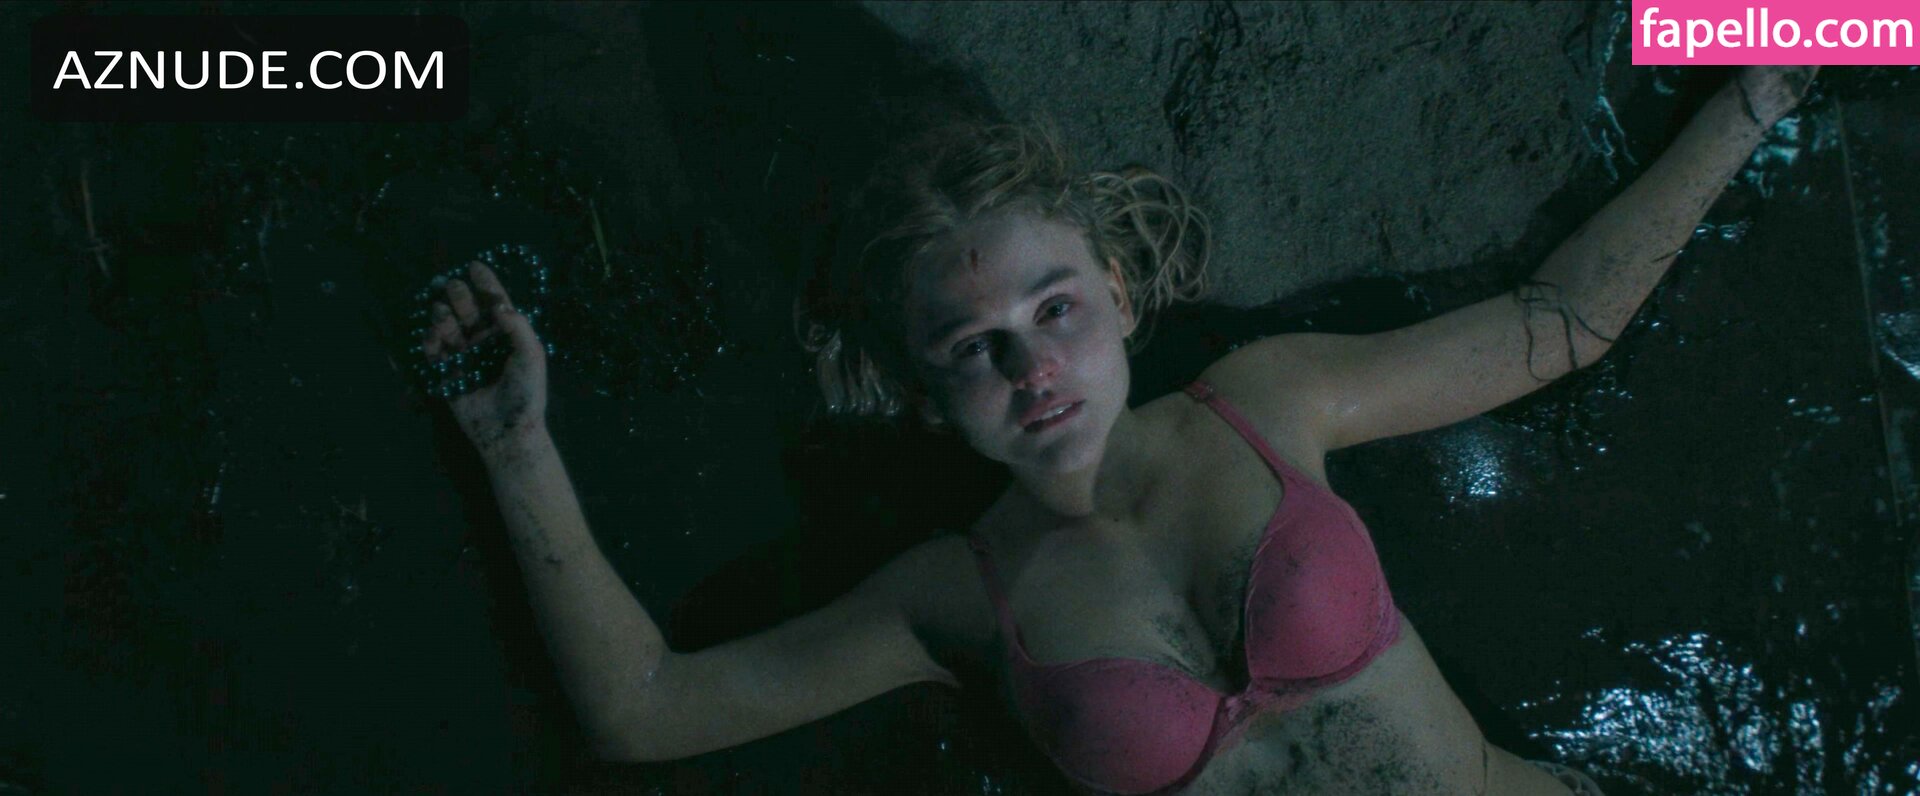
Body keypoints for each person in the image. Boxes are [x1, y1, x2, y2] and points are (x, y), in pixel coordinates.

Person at [420, 66, 1817, 794]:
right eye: (974, 349)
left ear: (1119, 292)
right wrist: (516, 448)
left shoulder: (1265, 408)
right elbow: (645, 712)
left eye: (1056, 309)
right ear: (915, 391)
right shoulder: (955, 600)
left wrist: (1753, 97)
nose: (1033, 366)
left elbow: (1559, 323)